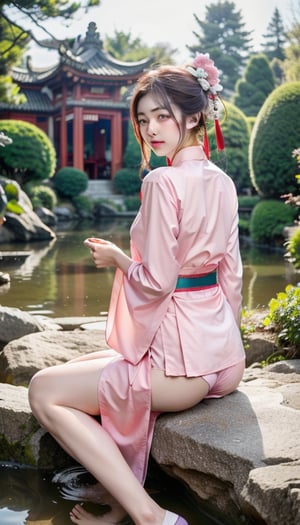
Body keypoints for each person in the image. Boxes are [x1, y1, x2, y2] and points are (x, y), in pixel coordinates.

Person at [28, 53, 245, 525]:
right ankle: (117, 492)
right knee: (87, 365)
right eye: (144, 119)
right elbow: (233, 277)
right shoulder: (223, 181)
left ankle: (150, 514)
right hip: (221, 360)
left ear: (193, 116)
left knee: (43, 389)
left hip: (180, 366)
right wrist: (233, 350)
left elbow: (158, 283)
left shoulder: (163, 181)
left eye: (163, 116)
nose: (151, 128)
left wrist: (119, 260)